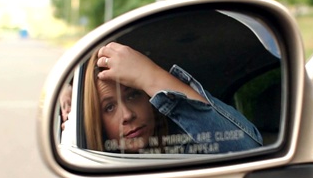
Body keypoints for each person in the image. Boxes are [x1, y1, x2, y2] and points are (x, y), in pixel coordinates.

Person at [82, 42, 262, 154]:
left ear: (149, 97)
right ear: (94, 121)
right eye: (109, 107)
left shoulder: (186, 145)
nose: (127, 115)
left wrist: (150, 75)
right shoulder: (94, 161)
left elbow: (250, 154)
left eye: (134, 94)